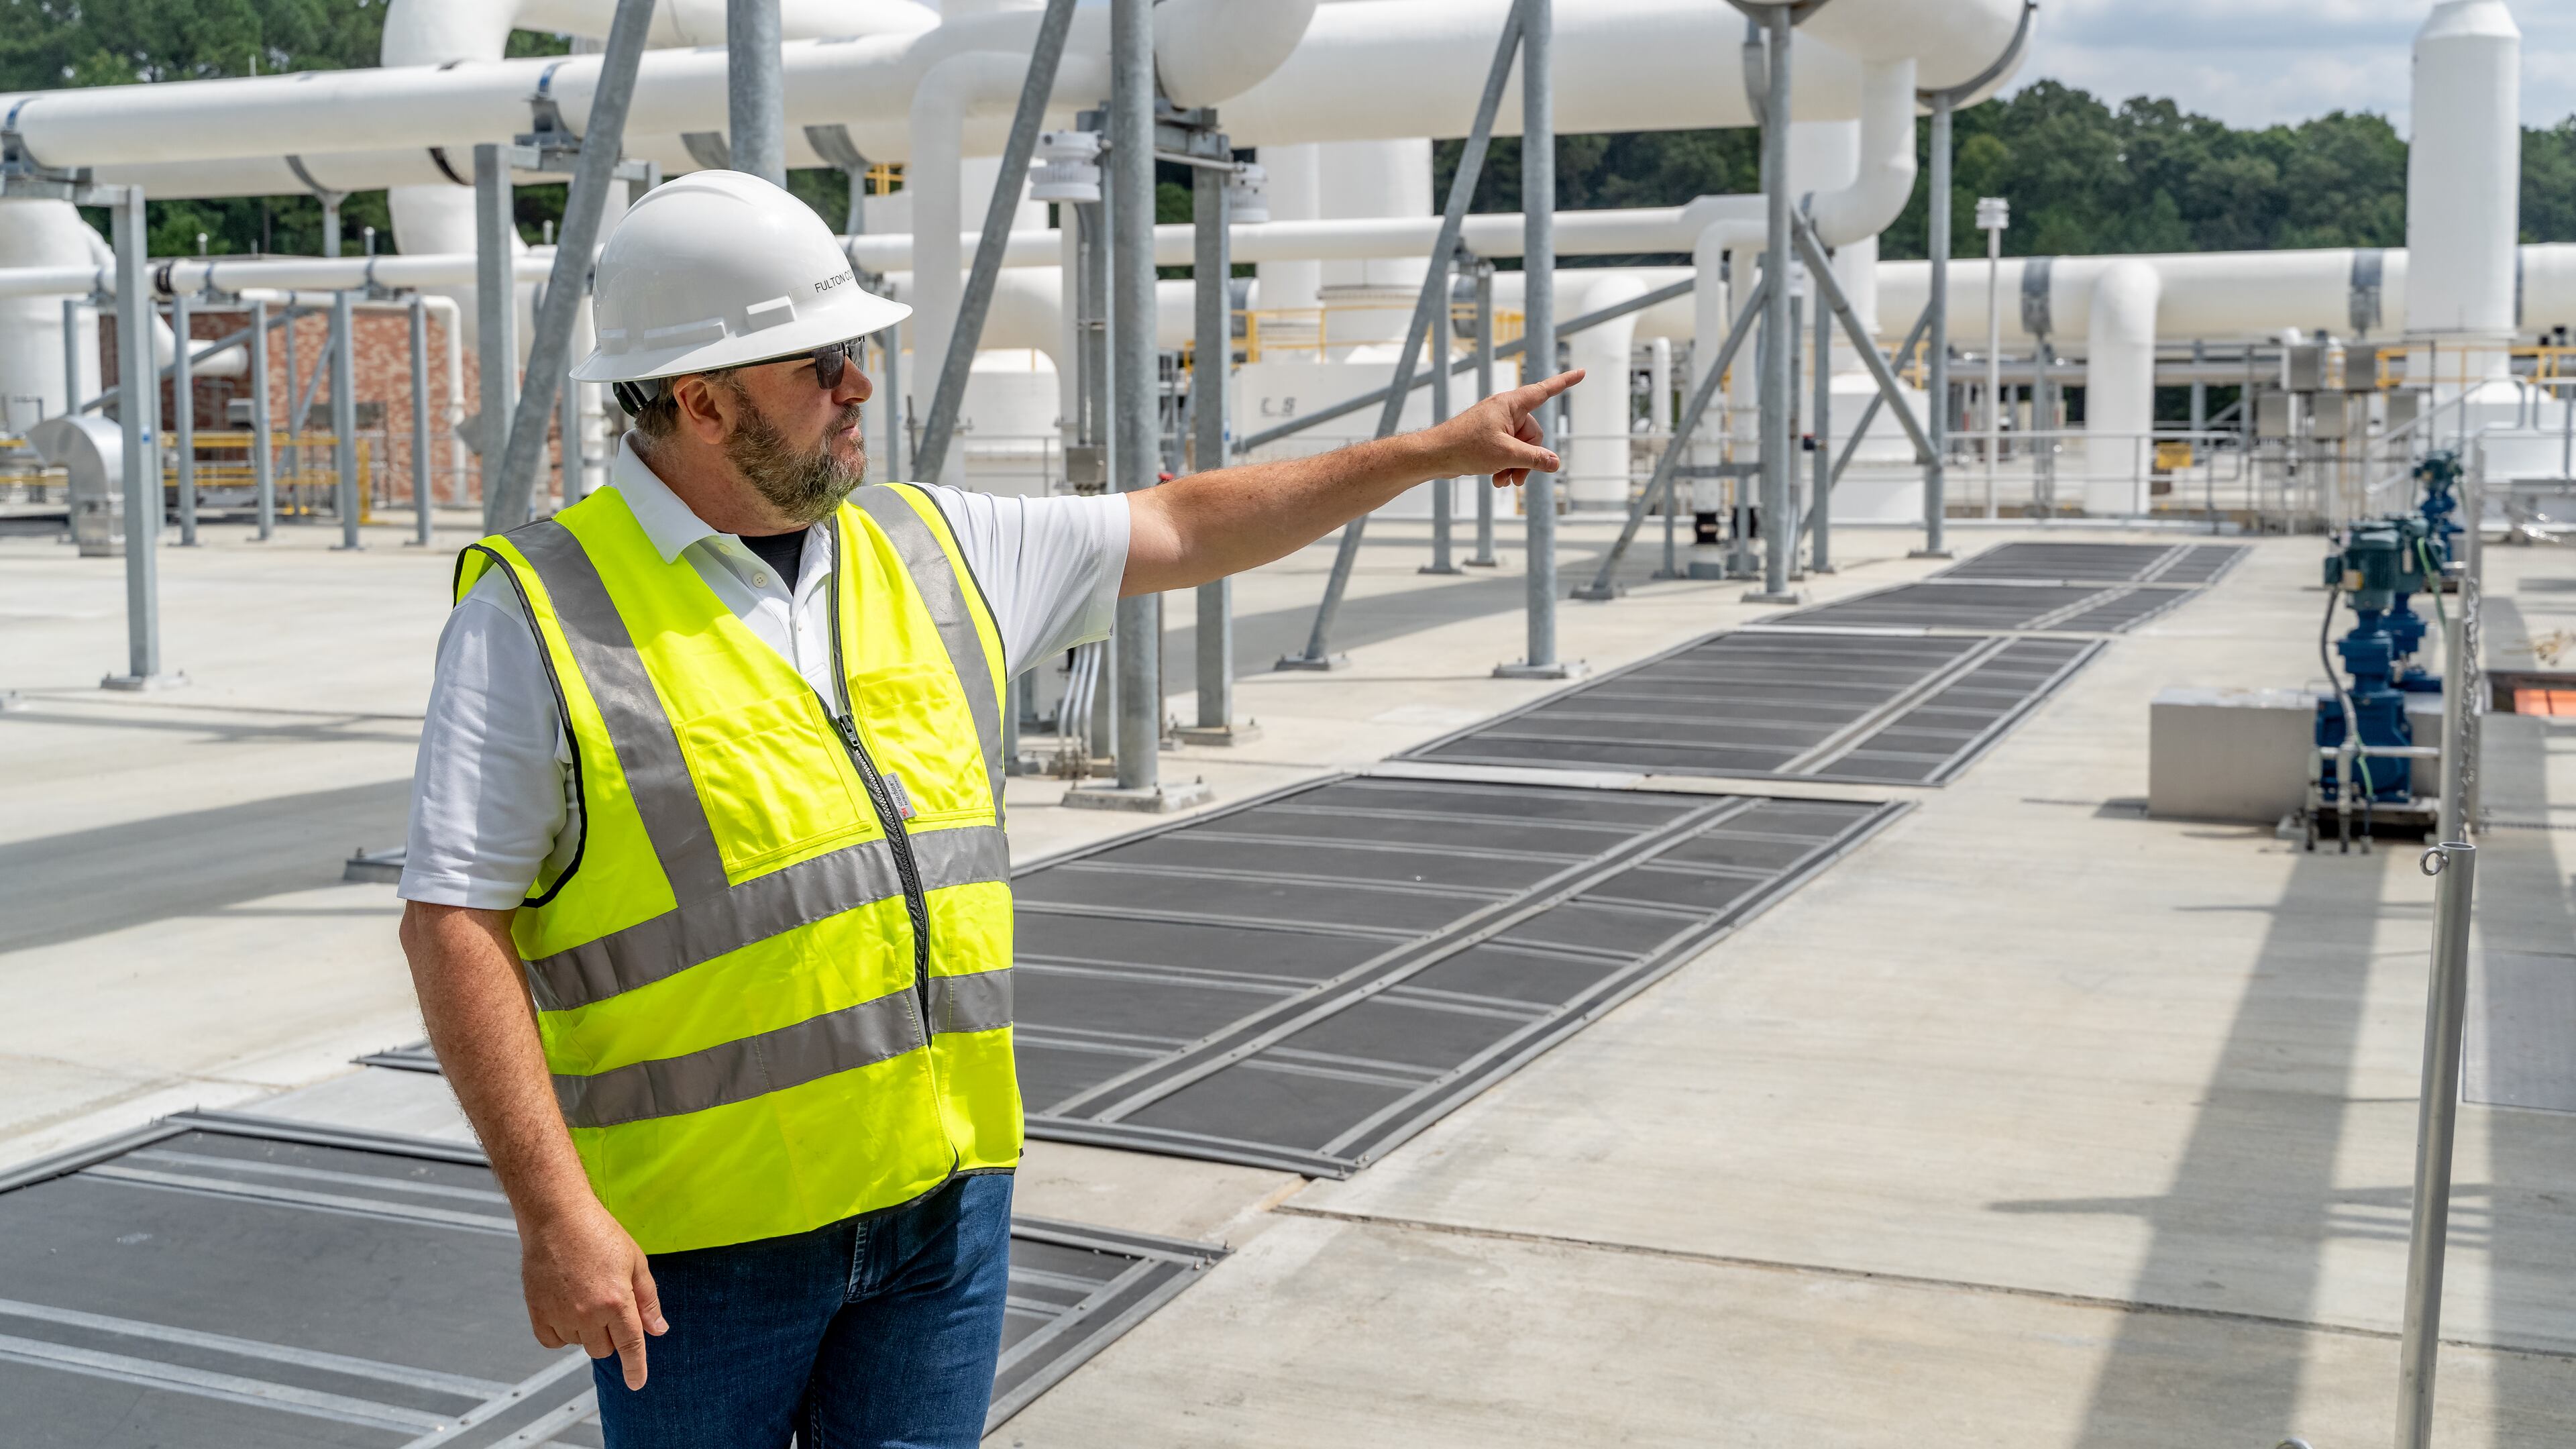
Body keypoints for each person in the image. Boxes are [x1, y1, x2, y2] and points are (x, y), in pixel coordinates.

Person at [395, 168, 1580, 1449]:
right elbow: (454, 922)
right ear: (700, 399)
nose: (861, 385)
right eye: (824, 363)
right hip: (702, 1258)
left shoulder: (929, 547)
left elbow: (1182, 526)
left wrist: (1429, 453)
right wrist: (556, 1214)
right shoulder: (537, 616)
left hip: (945, 1215)